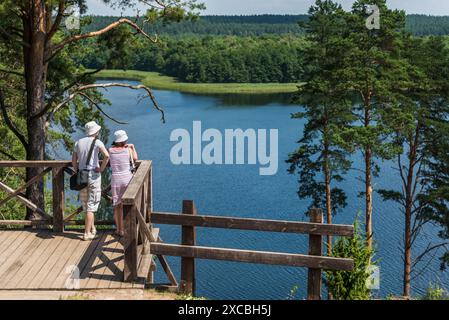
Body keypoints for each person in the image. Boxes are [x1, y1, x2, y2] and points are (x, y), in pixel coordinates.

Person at [72, 121, 110, 241]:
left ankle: (93, 228)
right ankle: (86, 233)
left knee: (86, 204)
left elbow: (74, 160)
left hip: (82, 175)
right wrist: (102, 168)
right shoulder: (97, 142)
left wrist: (77, 170)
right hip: (93, 176)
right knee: (92, 205)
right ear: (96, 132)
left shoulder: (78, 142)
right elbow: (107, 156)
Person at [109, 130, 138, 237]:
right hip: (127, 179)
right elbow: (135, 158)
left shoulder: (110, 151)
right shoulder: (128, 150)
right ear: (124, 140)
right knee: (127, 205)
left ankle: (119, 230)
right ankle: (127, 229)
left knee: (117, 206)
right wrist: (132, 147)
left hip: (116, 180)